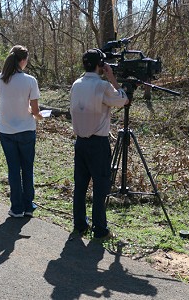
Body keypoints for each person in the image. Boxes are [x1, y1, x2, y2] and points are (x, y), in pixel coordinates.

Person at [70, 48, 129, 240]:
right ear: (100, 65)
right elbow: (123, 100)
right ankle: (100, 229)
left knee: (80, 186)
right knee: (100, 187)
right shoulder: (102, 86)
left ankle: (79, 225)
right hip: (98, 143)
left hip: (80, 142)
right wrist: (112, 78)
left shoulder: (76, 84)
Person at [0, 45, 43, 218]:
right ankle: (28, 206)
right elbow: (35, 110)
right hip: (26, 129)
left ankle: (16, 207)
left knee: (13, 169)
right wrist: (39, 117)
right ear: (23, 61)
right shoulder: (30, 80)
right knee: (27, 168)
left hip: (6, 130)